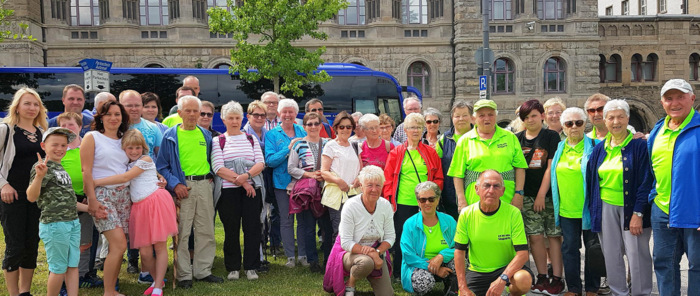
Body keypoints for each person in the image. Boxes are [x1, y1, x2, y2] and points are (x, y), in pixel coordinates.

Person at [93, 129, 178, 296]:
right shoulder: (127, 164)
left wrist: (95, 182)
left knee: (160, 247)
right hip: (139, 208)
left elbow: (126, 178)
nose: (134, 151)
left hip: (154, 203)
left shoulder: (145, 159)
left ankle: (158, 288)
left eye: (137, 148)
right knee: (145, 253)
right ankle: (157, 280)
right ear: (124, 149)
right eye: (130, 148)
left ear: (143, 148)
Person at [586, 99, 653, 296]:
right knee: (611, 256)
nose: (616, 122)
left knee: (637, 255)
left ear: (627, 119)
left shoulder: (639, 146)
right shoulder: (599, 149)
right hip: (605, 208)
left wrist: (638, 213)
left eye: (620, 117)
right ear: (605, 121)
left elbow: (646, 181)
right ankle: (618, 292)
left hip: (632, 208)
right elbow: (592, 182)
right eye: (611, 118)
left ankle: (641, 293)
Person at [156, 95, 223, 288]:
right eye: (189, 111)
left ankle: (203, 270)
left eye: (197, 111)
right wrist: (176, 185)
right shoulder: (170, 135)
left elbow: (210, 159)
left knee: (206, 230)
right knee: (182, 232)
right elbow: (162, 166)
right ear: (179, 113)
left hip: (204, 186)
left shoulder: (206, 135)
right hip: (183, 187)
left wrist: (210, 175)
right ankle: (184, 274)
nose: (193, 114)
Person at [647, 79, 700, 296]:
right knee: (664, 264)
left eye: (680, 97)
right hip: (662, 209)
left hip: (694, 211)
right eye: (669, 98)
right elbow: (652, 170)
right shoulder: (657, 130)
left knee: (697, 267)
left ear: (692, 99)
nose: (674, 103)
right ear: (662, 102)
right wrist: (653, 197)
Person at [550, 107, 604, 296]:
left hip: (589, 208)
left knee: (592, 250)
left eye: (578, 123)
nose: (574, 127)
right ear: (563, 127)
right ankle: (573, 288)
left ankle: (592, 288)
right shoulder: (560, 148)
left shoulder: (596, 146)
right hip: (567, 210)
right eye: (569, 123)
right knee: (570, 250)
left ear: (584, 124)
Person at [383, 112, 443, 281]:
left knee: (423, 237)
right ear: (405, 130)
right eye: (411, 127)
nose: (415, 131)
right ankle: (398, 273)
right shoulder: (396, 153)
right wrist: (389, 200)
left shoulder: (430, 152)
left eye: (418, 127)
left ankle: (423, 270)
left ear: (423, 129)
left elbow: (438, 177)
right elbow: (388, 179)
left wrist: (434, 194)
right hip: (403, 202)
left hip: (426, 202)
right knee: (403, 238)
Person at [453, 170, 533, 296]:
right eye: (486, 185)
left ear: (503, 190)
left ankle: (509, 292)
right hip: (478, 271)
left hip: (506, 270)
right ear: (477, 189)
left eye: (496, 186)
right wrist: (462, 286)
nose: (491, 190)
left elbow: (523, 254)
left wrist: (502, 279)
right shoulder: (466, 214)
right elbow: (459, 251)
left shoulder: (513, 213)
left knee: (523, 279)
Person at [0, 88, 48, 296]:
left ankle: (24, 291)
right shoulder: (6, 130)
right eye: (27, 103)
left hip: (35, 196)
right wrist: (3, 184)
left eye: (35, 104)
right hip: (12, 195)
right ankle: (13, 293)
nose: (32, 108)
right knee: (15, 245)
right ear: (17, 106)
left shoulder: (42, 132)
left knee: (31, 244)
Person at [81, 100, 131, 296]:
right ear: (100, 117)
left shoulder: (125, 138)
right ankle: (109, 291)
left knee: (118, 247)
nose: (113, 118)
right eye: (108, 114)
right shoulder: (92, 137)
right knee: (119, 244)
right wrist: (92, 199)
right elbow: (86, 171)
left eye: (117, 114)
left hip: (124, 196)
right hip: (102, 195)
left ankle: (112, 288)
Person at [27, 127, 85, 296]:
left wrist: (90, 208)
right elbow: (31, 197)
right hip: (55, 224)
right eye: (55, 145)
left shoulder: (61, 168)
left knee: (72, 266)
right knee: (58, 268)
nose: (60, 149)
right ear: (43, 146)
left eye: (63, 145)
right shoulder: (42, 167)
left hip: (72, 222)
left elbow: (69, 201)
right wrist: (39, 177)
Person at [514, 99, 564, 294]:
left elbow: (551, 167)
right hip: (527, 197)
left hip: (549, 196)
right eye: (526, 117)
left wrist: (542, 194)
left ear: (542, 116)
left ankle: (557, 278)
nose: (530, 120)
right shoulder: (517, 139)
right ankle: (542, 276)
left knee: (553, 236)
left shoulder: (550, 136)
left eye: (534, 115)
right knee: (535, 237)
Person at [211, 101, 265, 281]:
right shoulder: (218, 140)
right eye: (230, 118)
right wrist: (243, 182)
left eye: (237, 118)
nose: (234, 121)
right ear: (224, 120)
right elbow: (218, 167)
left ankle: (251, 267)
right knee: (231, 230)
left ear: (242, 119)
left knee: (252, 229)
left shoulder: (251, 139)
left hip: (252, 191)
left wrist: (246, 176)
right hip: (228, 192)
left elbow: (260, 163)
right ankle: (233, 267)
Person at [324, 165, 395, 296]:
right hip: (349, 252)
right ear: (361, 187)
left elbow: (390, 237)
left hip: (376, 250)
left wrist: (377, 252)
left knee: (387, 294)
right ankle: (351, 283)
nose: (374, 189)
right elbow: (345, 242)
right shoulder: (350, 206)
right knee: (365, 262)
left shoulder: (385, 206)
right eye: (369, 185)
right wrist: (372, 254)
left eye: (378, 185)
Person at [448, 99, 528, 211]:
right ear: (474, 119)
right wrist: (461, 200)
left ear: (496, 116)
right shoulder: (465, 140)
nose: (486, 118)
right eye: (481, 115)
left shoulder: (510, 137)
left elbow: (520, 168)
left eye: (490, 114)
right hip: (475, 202)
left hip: (507, 199)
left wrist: (519, 193)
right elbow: (457, 174)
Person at [56, 112, 103, 288]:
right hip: (65, 202)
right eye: (63, 125)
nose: (67, 129)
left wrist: (89, 196)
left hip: (87, 199)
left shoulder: (88, 146)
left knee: (87, 241)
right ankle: (62, 279)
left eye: (71, 125)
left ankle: (85, 274)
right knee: (65, 242)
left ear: (79, 126)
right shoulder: (57, 149)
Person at [264, 98, 307, 268]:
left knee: (303, 220)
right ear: (279, 114)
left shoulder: (302, 131)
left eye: (291, 112)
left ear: (296, 114)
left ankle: (303, 254)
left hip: (302, 182)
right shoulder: (272, 135)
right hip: (281, 184)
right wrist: (288, 148)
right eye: (285, 112)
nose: (288, 115)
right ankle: (290, 256)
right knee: (286, 219)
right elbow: (270, 161)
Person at [287, 112, 331, 273]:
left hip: (326, 188)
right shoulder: (298, 145)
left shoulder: (329, 143)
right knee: (308, 227)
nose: (313, 127)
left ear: (321, 126)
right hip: (307, 192)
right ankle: (313, 261)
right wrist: (310, 174)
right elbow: (291, 168)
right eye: (309, 124)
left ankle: (328, 259)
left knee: (327, 227)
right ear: (304, 127)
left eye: (316, 123)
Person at [400, 181, 457, 295]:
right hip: (418, 266)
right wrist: (433, 267)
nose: (427, 203)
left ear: (438, 199)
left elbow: (458, 247)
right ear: (418, 202)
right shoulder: (410, 224)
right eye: (423, 199)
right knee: (424, 281)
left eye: (431, 199)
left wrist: (441, 256)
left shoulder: (449, 221)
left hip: (443, 262)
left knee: (461, 263)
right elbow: (408, 255)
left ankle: (452, 289)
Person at [321, 111, 362, 239]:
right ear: (336, 128)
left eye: (349, 127)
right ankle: (337, 258)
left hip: (354, 194)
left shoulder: (355, 145)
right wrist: (339, 181)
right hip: (337, 196)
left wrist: (358, 178)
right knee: (340, 231)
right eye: (342, 127)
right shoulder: (330, 146)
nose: (345, 130)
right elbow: (324, 171)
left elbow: (361, 169)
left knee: (355, 230)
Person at [436, 100, 472, 220]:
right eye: (457, 116)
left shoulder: (479, 137)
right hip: (449, 196)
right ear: (452, 118)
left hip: (474, 193)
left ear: (471, 117)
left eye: (465, 115)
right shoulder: (444, 140)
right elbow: (437, 167)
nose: (461, 119)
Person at [119, 90, 163, 159]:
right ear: (121, 106)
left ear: (142, 106)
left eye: (137, 105)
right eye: (129, 105)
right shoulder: (115, 128)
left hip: (148, 168)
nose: (134, 109)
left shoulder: (153, 127)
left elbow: (162, 157)